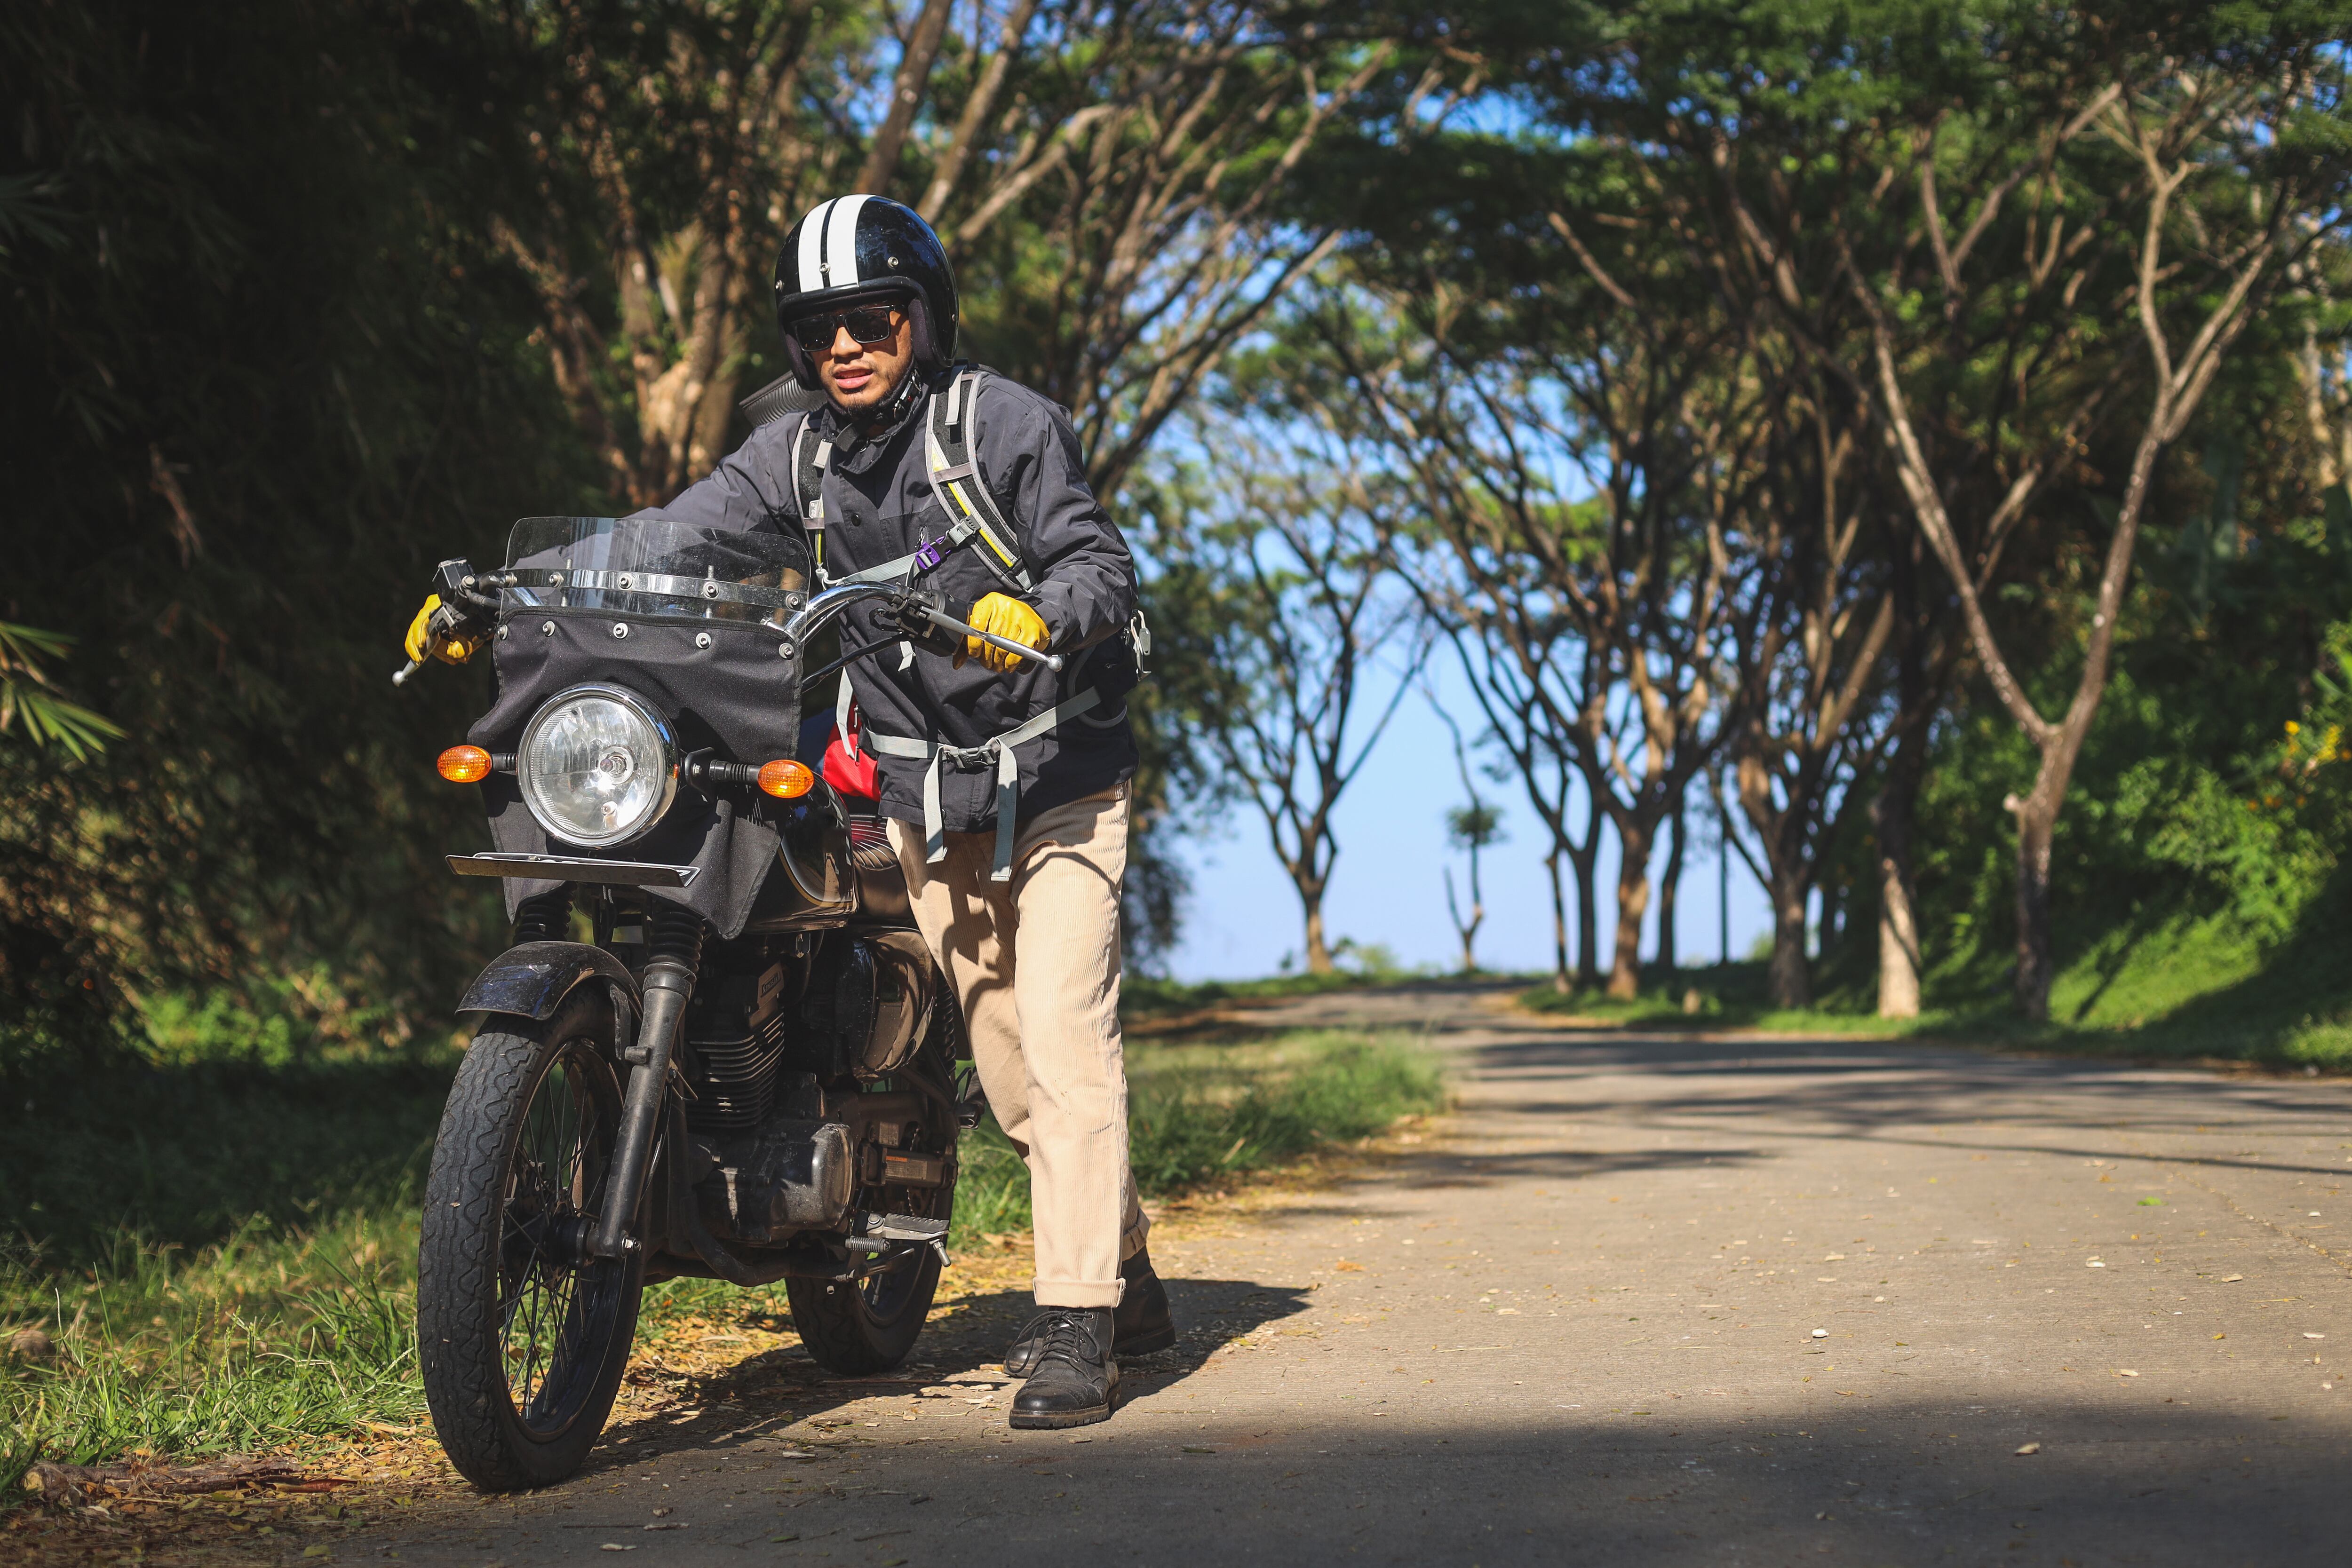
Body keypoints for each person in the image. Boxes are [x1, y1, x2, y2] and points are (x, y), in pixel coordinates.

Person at [405, 194, 1172, 1430]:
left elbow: (1098, 564)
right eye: (821, 329)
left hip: (1061, 791)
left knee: (1068, 1045)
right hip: (929, 799)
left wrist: (1047, 613)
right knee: (1019, 1081)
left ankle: (1077, 1327)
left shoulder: (1007, 427)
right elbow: (664, 541)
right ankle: (1126, 1267)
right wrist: (502, 596)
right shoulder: (797, 456)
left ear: (921, 319)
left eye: (873, 319)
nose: (847, 348)